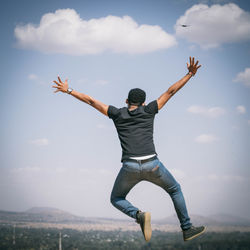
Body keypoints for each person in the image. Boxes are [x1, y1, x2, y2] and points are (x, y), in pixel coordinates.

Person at [52, 57, 205, 242]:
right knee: (174, 190)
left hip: (130, 166)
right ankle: (187, 228)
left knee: (116, 198)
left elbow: (91, 101)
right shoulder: (150, 110)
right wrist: (189, 74)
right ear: (143, 102)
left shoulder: (117, 113)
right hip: (153, 164)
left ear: (126, 101)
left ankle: (138, 215)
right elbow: (170, 91)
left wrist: (68, 90)